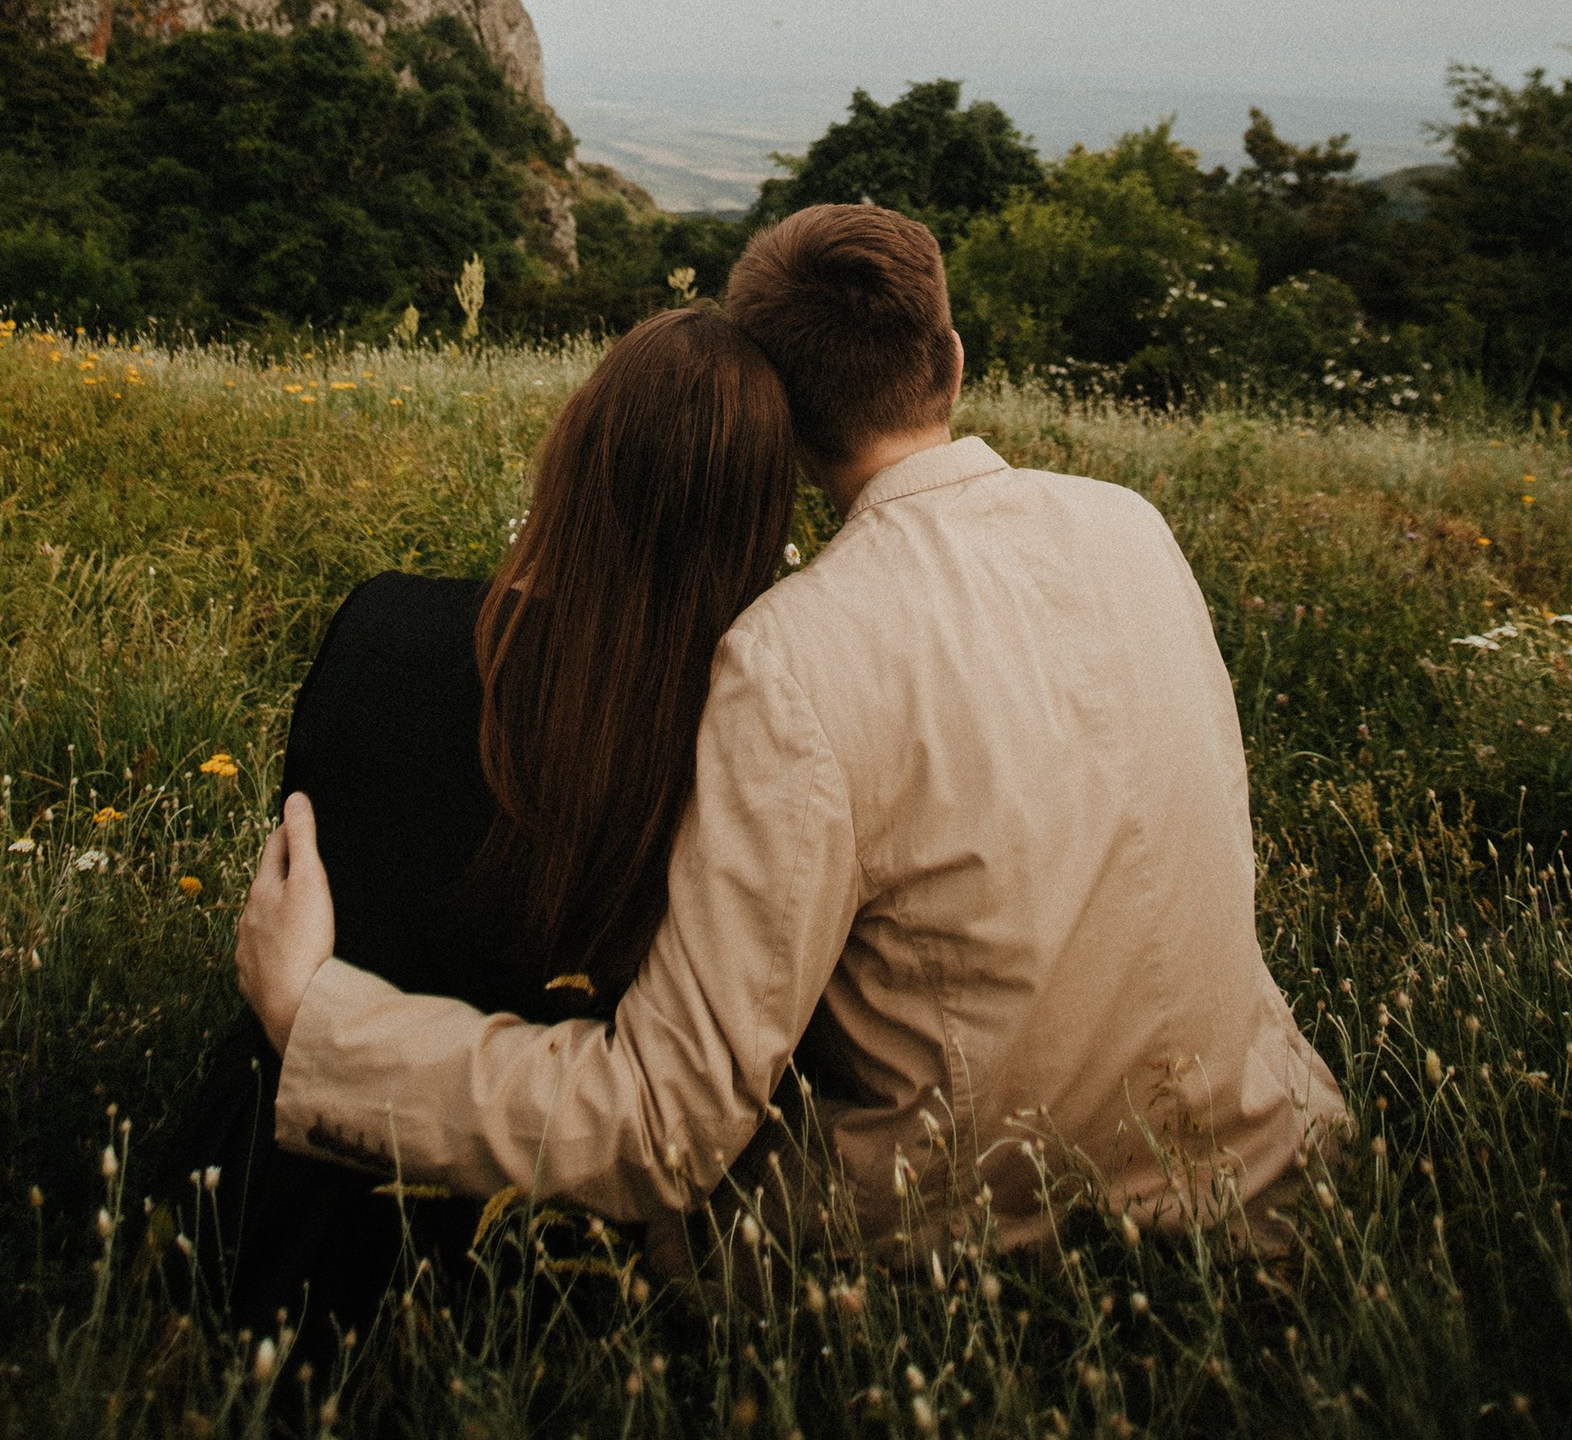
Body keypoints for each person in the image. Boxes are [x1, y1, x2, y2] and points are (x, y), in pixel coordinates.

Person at [240, 204, 1345, 1259]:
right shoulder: (1131, 530)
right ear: (951, 361)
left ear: (780, 425)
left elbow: (660, 1128)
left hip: (980, 1249)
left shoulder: (790, 657)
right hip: (1267, 1181)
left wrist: (316, 1019)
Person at [160, 301, 795, 1328]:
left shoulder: (384, 630)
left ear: (575, 449)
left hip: (274, 1201)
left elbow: (301, 875)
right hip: (544, 1251)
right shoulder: (741, 731)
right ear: (761, 515)